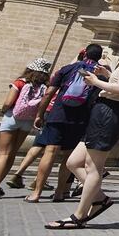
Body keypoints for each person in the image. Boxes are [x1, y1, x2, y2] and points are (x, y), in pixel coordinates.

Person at [46, 26, 119, 229]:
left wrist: (95, 81)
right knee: (73, 162)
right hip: (106, 111)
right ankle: (100, 199)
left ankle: (79, 216)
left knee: (93, 168)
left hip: (109, 112)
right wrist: (107, 73)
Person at [25, 47, 104, 203]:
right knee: (68, 157)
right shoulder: (100, 74)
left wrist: (40, 114)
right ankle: (60, 192)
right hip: (80, 119)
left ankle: (36, 193)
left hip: (58, 115)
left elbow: (49, 93)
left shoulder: (67, 69)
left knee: (50, 152)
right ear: (100, 57)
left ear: (85, 53)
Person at [0, 58, 52, 199]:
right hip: (28, 121)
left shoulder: (20, 82)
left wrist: (4, 110)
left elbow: (9, 102)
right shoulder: (45, 86)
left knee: (3, 153)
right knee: (12, 153)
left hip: (12, 118)